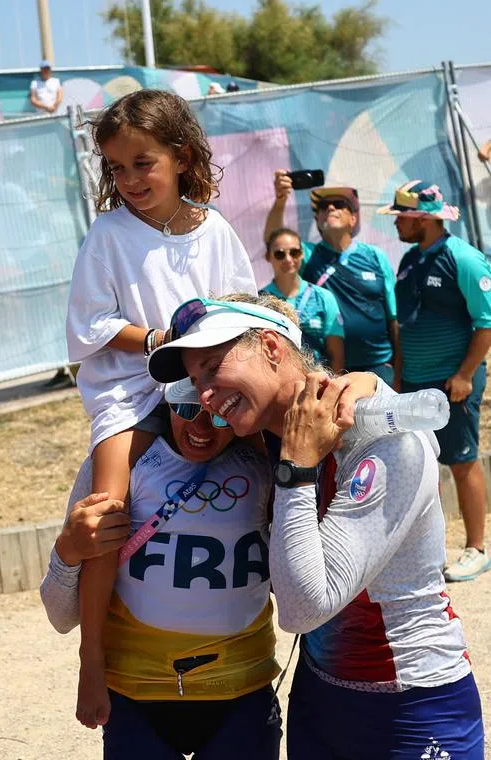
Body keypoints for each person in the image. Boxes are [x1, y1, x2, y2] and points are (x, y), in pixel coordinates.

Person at [148, 293, 483, 759]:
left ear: (270, 347)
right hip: (318, 698)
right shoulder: (259, 431)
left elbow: (304, 610)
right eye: (194, 378)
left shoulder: (385, 441)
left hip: (413, 702)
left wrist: (298, 467)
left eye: (211, 366)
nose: (204, 395)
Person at [65, 89, 257, 730]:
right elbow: (89, 325)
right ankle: (92, 659)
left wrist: (208, 365)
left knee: (289, 469)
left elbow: (244, 310)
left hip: (210, 382)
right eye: (116, 169)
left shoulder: (218, 230)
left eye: (141, 163)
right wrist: (155, 342)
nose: (129, 180)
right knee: (106, 513)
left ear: (180, 157)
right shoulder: (108, 233)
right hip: (130, 391)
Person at [40, 380, 280, 757]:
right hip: (136, 693)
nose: (200, 428)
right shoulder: (122, 463)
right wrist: (67, 551)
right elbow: (59, 614)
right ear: (165, 396)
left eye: (218, 417)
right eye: (186, 408)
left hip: (242, 690)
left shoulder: (266, 460)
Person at [382, 181, 491, 582]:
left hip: (453, 383)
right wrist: (397, 378)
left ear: (423, 218)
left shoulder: (464, 259)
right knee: (416, 464)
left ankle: (476, 549)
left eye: (402, 216)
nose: (396, 223)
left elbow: (486, 324)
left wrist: (464, 375)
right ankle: (421, 549)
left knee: (462, 462)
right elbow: (406, 325)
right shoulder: (410, 259)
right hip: (412, 382)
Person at [264, 174, 400, 385]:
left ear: (353, 218)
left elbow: (393, 317)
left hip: (379, 366)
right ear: (317, 220)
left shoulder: (375, 256)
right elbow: (274, 239)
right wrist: (281, 200)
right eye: (323, 207)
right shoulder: (306, 254)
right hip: (334, 370)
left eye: (339, 204)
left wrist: (398, 369)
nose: (329, 208)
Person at [259, 227, 344, 372]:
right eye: (279, 254)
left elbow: (337, 356)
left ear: (302, 254)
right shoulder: (260, 300)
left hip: (319, 384)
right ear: (268, 256)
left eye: (294, 252)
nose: (288, 259)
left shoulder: (324, 297)